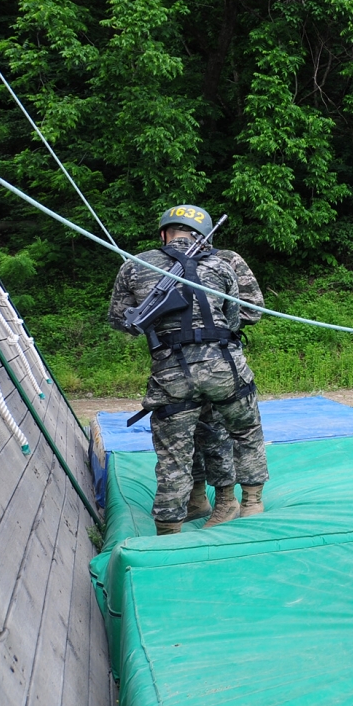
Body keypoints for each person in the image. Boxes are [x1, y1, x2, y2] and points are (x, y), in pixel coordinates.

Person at [108, 205, 268, 537]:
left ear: (164, 233)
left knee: (173, 457)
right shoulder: (222, 265)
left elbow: (121, 320)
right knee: (244, 432)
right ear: (204, 235)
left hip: (171, 373)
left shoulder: (136, 265)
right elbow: (236, 317)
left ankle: (169, 531)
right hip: (224, 367)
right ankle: (251, 503)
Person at [188, 245, 268, 528]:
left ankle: (250, 500)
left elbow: (253, 307)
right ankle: (196, 497)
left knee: (238, 427)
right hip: (178, 362)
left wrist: (216, 323)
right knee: (193, 431)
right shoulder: (161, 263)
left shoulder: (227, 259)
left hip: (222, 356)